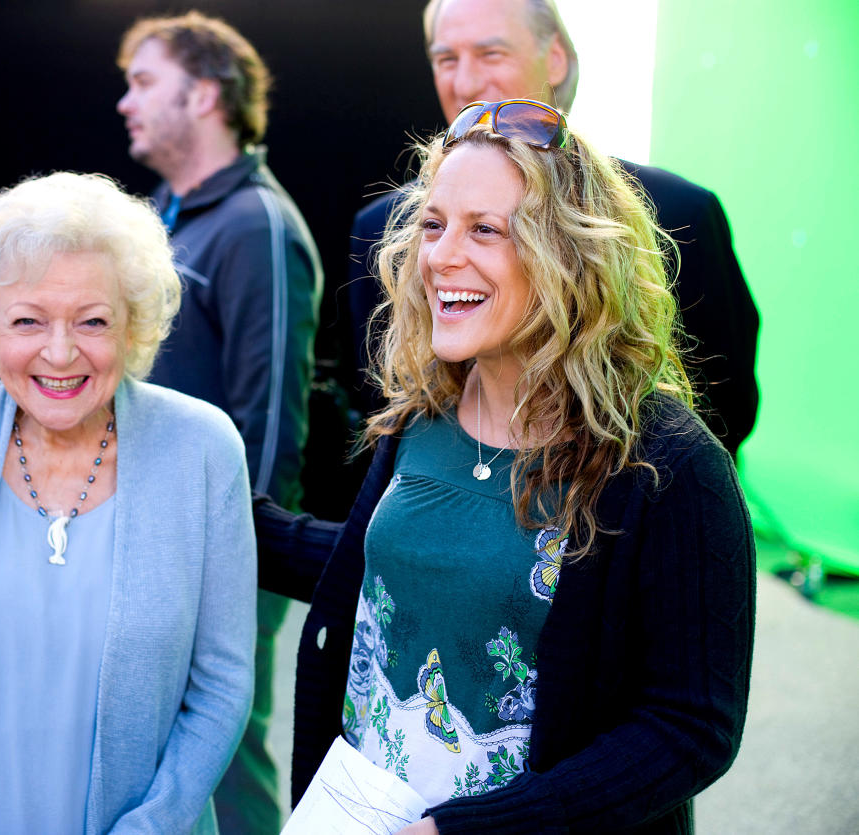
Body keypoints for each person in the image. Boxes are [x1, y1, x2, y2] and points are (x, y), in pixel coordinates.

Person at [258, 102, 754, 832]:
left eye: (484, 229)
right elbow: (394, 567)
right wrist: (218, 507)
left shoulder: (665, 463)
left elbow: (690, 725)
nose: (441, 256)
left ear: (568, 255)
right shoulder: (420, 414)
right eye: (433, 225)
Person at [0, 172, 256, 834]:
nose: (61, 352)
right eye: (28, 320)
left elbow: (221, 688)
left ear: (132, 325)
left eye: (92, 320)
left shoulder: (204, 449)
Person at [345, 0, 758, 460]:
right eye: (447, 59)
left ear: (556, 58)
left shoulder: (679, 212)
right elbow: (382, 415)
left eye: (491, 53)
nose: (463, 83)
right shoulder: (383, 229)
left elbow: (723, 411)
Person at [117, 12, 322, 832]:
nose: (125, 103)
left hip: (222, 556)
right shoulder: (162, 215)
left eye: (142, 82)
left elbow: (271, 420)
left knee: (225, 759)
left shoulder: (257, 225)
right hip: (146, 538)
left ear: (204, 94)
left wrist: (238, 563)